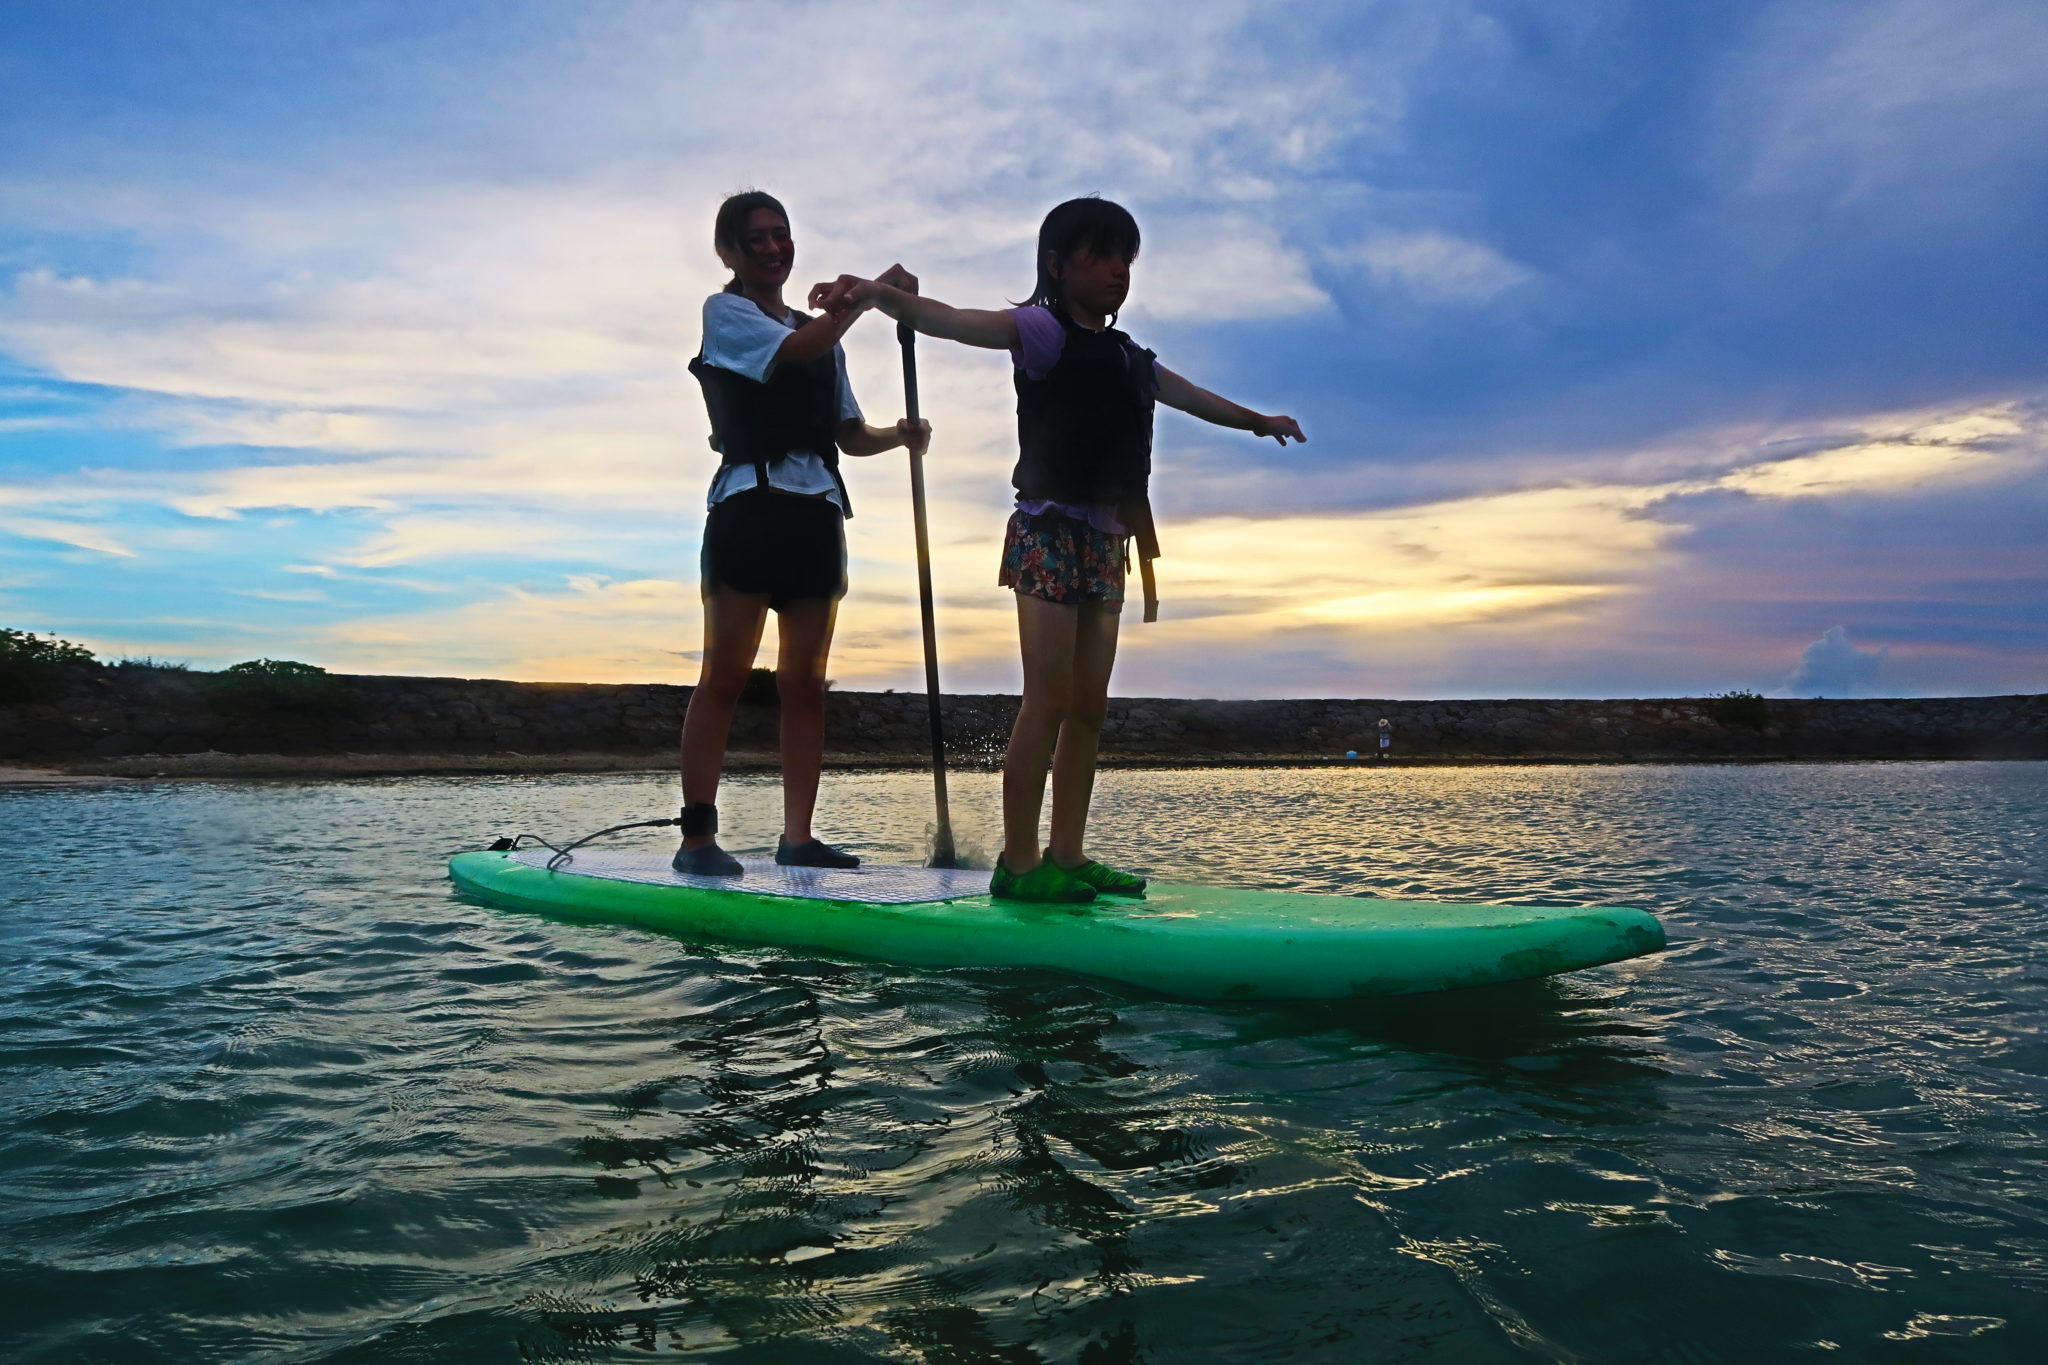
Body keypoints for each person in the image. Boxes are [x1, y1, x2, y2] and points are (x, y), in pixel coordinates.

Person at [810, 196, 1305, 903]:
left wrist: (1256, 421)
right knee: (1046, 700)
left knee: (1090, 707)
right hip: (1048, 534)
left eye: (1125, 259)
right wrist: (875, 294)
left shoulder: (1131, 358)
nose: (1116, 272)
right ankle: (1018, 863)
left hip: (1107, 541)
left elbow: (1190, 395)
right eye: (1100, 256)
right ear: (1056, 264)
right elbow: (949, 320)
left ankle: (1066, 854)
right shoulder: (1041, 331)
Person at [675, 190, 928, 875]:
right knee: (725, 674)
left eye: (779, 234)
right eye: (753, 238)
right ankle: (697, 838)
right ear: (729, 251)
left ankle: (797, 837)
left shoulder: (821, 336)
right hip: (748, 507)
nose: (770, 247)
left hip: (816, 511)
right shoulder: (726, 312)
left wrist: (896, 436)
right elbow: (798, 347)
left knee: (806, 681)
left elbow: (848, 431)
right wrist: (870, 295)